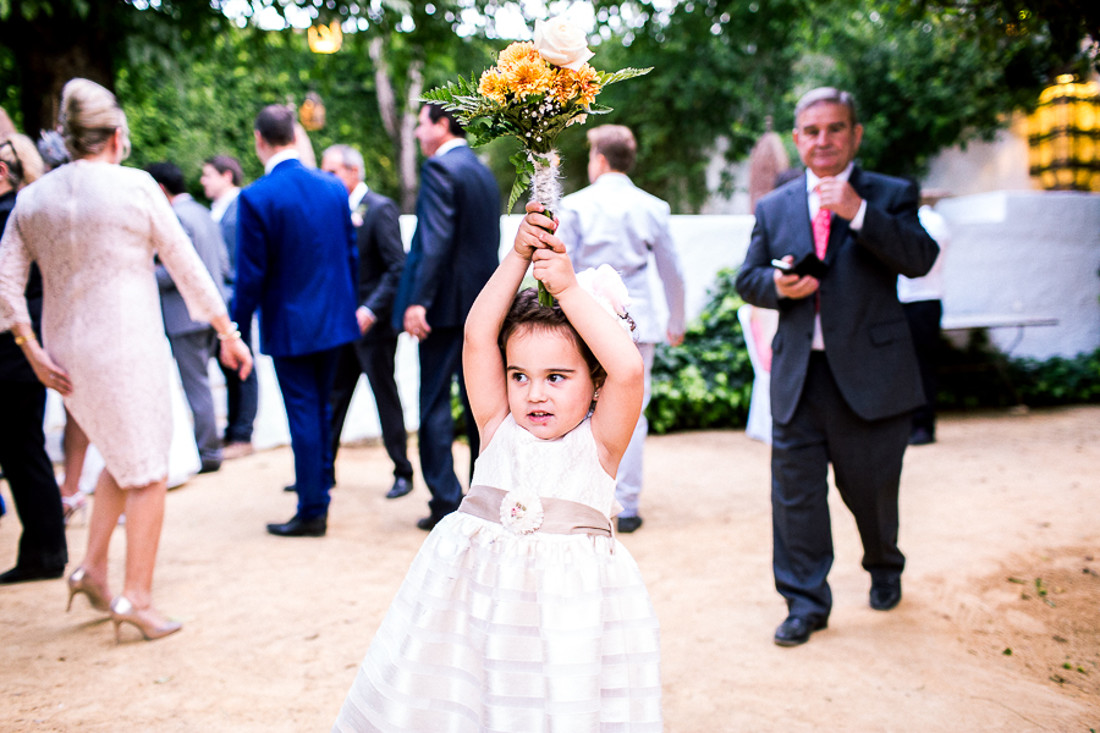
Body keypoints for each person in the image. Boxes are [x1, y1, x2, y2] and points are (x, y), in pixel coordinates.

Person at [333, 203, 661, 730]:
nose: (534, 394)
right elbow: (476, 335)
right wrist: (517, 255)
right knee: (469, 704)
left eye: (557, 377)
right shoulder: (496, 426)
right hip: (474, 606)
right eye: (519, 375)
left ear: (593, 382)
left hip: (563, 618)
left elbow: (628, 366)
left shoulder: (601, 444)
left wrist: (570, 291)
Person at [0, 78, 251, 640]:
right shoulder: (135, 187)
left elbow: (5, 281)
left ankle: (89, 568)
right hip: (124, 344)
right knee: (150, 472)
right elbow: (187, 268)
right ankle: (135, 598)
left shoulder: (31, 197)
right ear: (117, 136)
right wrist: (228, 334)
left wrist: (29, 346)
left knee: (121, 452)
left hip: (62, 351)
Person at [734, 87, 939, 647]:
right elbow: (747, 277)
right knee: (794, 496)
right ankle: (805, 602)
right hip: (799, 376)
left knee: (871, 491)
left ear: (855, 134)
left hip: (873, 377)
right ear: (798, 139)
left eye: (835, 128)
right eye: (812, 131)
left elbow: (920, 259)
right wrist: (775, 285)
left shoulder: (890, 194)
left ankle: (884, 564)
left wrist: (859, 212)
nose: (823, 140)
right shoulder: (775, 205)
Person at [234, 104, 359, 538]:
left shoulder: (255, 197)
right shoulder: (332, 188)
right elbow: (349, 254)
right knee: (321, 411)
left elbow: (249, 277)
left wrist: (235, 329)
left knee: (304, 415)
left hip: (291, 326)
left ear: (259, 140)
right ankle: (318, 491)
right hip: (336, 321)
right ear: (294, 134)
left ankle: (312, 510)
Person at [557, 124, 686, 533]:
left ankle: (583, 494)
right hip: (636, 318)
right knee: (635, 409)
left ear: (599, 159)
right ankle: (626, 504)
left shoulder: (576, 204)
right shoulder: (652, 206)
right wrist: (676, 320)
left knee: (579, 406)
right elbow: (673, 271)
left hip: (584, 316)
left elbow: (564, 263)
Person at [393, 103, 500, 531]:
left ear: (441, 124)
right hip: (483, 307)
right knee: (481, 404)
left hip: (443, 308)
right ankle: (484, 494)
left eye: (420, 124)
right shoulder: (482, 172)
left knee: (434, 402)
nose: (418, 134)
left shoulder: (440, 170)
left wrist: (418, 300)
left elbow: (433, 241)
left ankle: (445, 500)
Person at [320, 144, 413, 499]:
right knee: (334, 399)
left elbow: (396, 266)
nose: (327, 179)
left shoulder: (380, 208)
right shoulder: (332, 210)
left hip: (373, 327)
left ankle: (402, 472)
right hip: (341, 326)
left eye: (333, 172)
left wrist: (370, 310)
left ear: (353, 172)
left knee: (384, 395)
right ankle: (321, 473)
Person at [0, 131, 68, 584]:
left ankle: (44, 551)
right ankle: (44, 548)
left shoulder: (11, 216)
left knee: (23, 451)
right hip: (25, 345)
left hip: (15, 349)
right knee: (26, 451)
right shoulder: (28, 212)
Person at [147, 161, 232, 474]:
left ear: (159, 189)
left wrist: (142, 274)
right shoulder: (202, 213)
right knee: (203, 383)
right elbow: (222, 262)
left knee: (196, 385)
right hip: (211, 312)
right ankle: (209, 447)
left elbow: (174, 272)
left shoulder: (178, 217)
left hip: (186, 317)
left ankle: (208, 451)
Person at [200, 154, 258, 460]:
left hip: (236, 297)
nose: (203, 181)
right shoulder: (217, 210)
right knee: (228, 364)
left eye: (208, 175)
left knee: (243, 362)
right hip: (221, 299)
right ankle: (233, 428)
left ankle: (243, 433)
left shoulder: (241, 207)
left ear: (227, 175)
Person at [899, 191, 951, 445]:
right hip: (900, 300)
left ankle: (923, 424)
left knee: (922, 365)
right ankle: (907, 423)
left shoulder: (932, 222)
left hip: (923, 299)